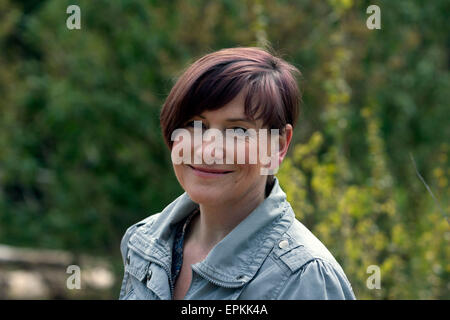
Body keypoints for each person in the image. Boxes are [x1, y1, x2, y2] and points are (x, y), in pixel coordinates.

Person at [118, 47, 356, 300]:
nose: (208, 150)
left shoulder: (305, 278)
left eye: (238, 131)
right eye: (194, 125)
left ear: (279, 145)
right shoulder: (142, 242)